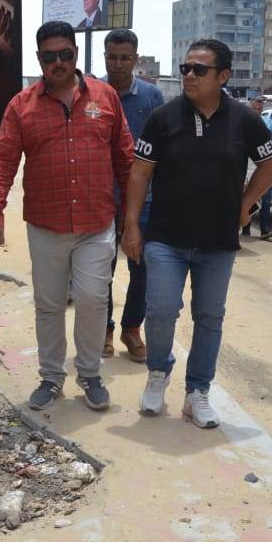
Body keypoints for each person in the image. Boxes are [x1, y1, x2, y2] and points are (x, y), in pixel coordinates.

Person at [121, 39, 272, 429]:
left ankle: (197, 393)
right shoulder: (163, 117)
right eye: (185, 68)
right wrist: (131, 225)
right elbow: (140, 172)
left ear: (223, 76)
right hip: (165, 238)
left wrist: (245, 205)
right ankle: (158, 373)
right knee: (161, 310)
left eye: (199, 69)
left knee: (209, 317)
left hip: (218, 242)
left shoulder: (244, 120)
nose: (189, 75)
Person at [0, 21, 134, 412]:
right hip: (46, 225)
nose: (58, 63)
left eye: (65, 54)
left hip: (96, 222)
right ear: (39, 59)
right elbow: (3, 161)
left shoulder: (105, 97)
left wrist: (132, 218)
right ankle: (51, 377)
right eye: (50, 56)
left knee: (92, 299)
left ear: (76, 55)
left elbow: (125, 159)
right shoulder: (21, 106)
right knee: (49, 304)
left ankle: (90, 374)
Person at [101, 29, 165, 363]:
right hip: (101, 199)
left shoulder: (152, 97)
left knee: (143, 269)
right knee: (101, 270)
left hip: (143, 201)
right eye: (112, 57)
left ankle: (131, 329)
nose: (118, 64)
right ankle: (105, 330)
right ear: (104, 57)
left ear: (136, 58)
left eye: (125, 57)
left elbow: (164, 148)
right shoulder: (92, 92)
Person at [241, 97, 272, 240]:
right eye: (254, 109)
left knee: (265, 199)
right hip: (247, 165)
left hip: (263, 166)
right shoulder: (243, 123)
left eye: (259, 109)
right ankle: (246, 228)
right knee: (248, 197)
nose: (257, 111)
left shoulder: (268, 123)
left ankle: (265, 230)